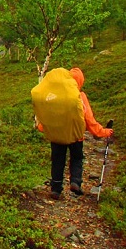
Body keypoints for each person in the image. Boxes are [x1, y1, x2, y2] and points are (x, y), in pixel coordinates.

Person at [37, 67, 113, 199]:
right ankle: (75, 182)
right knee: (77, 158)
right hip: (76, 137)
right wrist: (104, 132)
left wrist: (43, 127)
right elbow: (89, 119)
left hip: (57, 136)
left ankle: (56, 189)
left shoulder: (56, 95)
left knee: (57, 161)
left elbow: (49, 115)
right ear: (80, 81)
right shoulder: (80, 96)